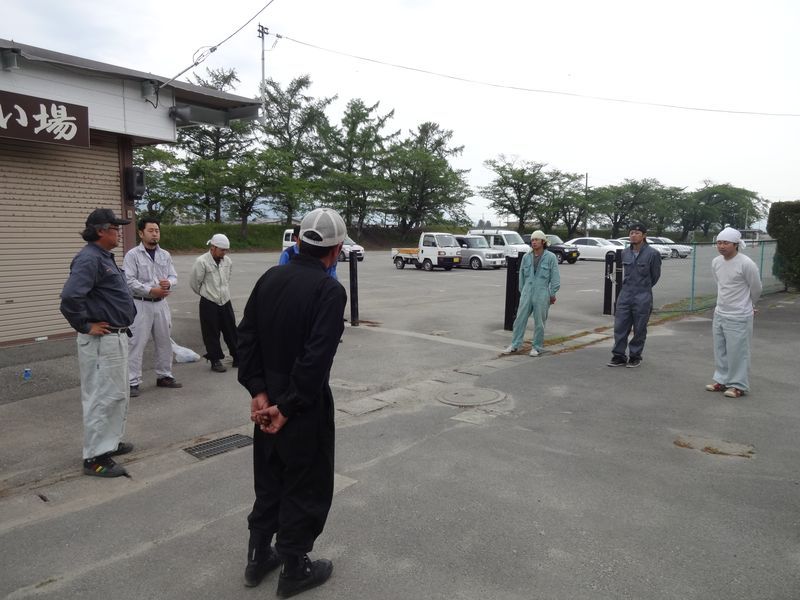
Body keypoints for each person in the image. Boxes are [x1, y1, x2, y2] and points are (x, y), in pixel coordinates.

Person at [237, 207, 348, 598]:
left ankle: (257, 557)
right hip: (302, 406)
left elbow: (245, 337)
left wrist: (259, 393)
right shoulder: (329, 291)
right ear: (335, 252)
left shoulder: (270, 277)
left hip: (265, 403)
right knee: (306, 483)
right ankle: (295, 567)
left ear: (298, 241)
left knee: (269, 478)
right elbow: (315, 359)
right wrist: (286, 407)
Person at [60, 208, 137, 478]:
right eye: (115, 228)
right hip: (101, 341)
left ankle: (110, 443)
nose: (118, 232)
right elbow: (70, 298)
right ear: (101, 230)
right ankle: (94, 457)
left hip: (115, 338)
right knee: (101, 398)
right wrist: (85, 325)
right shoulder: (89, 259)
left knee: (116, 395)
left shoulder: (103, 257)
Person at [123, 216, 182, 396]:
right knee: (136, 343)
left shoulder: (165, 255)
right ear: (141, 233)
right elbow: (129, 281)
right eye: (151, 230)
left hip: (161, 304)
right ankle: (132, 381)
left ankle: (164, 375)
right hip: (141, 304)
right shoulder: (132, 255)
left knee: (164, 340)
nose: (155, 234)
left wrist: (168, 284)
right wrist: (151, 290)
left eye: (157, 230)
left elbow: (174, 276)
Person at [706, 227, 762, 397]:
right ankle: (722, 380)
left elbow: (756, 288)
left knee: (738, 351)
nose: (721, 246)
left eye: (726, 243)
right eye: (719, 242)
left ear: (736, 244)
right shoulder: (716, 262)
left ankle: (738, 385)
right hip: (720, 312)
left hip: (740, 315)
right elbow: (720, 283)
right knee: (720, 349)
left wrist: (750, 304)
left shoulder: (746, 263)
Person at [607, 223, 662, 368]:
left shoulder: (653, 254)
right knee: (620, 326)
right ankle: (618, 356)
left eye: (637, 233)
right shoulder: (625, 253)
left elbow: (655, 276)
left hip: (642, 295)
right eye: (631, 233)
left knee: (639, 328)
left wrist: (643, 288)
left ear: (644, 236)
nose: (633, 235)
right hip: (625, 294)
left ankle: (635, 356)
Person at [505, 230, 560, 356]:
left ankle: (537, 347)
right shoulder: (526, 256)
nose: (534, 242)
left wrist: (552, 293)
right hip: (527, 292)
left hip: (542, 293)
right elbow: (522, 278)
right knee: (519, 319)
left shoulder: (550, 257)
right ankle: (515, 344)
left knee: (539, 321)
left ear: (543, 242)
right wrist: (523, 291)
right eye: (533, 240)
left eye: (537, 240)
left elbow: (555, 278)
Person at [189, 233, 239, 373]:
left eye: (226, 250)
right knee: (211, 332)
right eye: (222, 250)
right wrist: (206, 294)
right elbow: (194, 283)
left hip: (225, 300)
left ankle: (237, 355)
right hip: (209, 302)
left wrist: (222, 292)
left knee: (231, 330)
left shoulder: (227, 261)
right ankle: (215, 360)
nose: (224, 253)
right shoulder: (202, 262)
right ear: (213, 248)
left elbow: (227, 278)